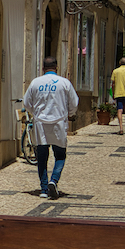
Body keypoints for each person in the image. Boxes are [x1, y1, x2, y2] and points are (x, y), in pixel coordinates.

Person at [23, 56, 80, 199]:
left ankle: (43, 189)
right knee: (60, 155)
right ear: (56, 68)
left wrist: (35, 113)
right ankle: (53, 180)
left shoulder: (36, 83)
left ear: (43, 68)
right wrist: (69, 113)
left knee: (42, 157)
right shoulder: (64, 83)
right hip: (58, 123)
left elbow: (26, 102)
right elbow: (74, 103)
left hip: (40, 124)